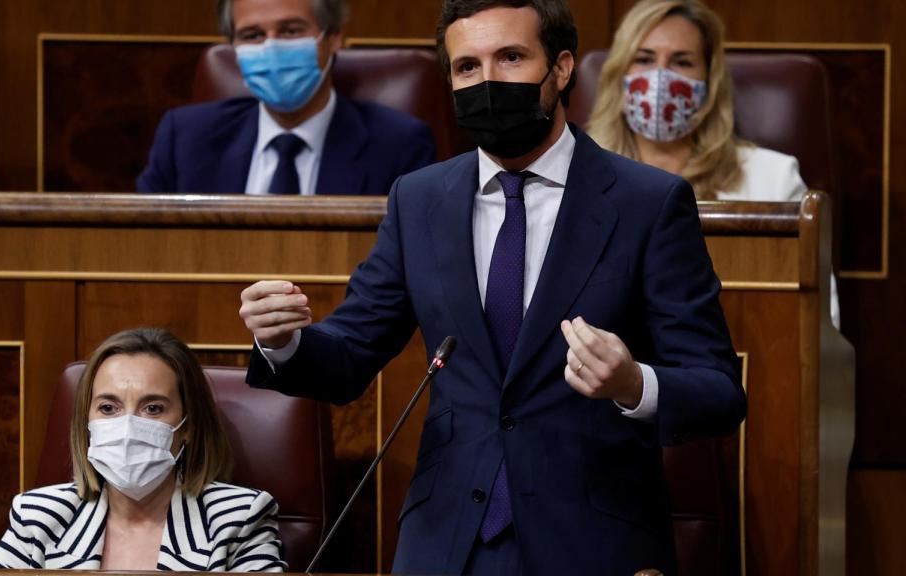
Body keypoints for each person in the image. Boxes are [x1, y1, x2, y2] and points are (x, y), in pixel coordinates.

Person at [238, 0, 744, 574]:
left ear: (560, 68)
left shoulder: (647, 202)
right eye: (467, 67)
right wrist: (284, 341)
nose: (488, 81)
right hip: (446, 539)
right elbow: (350, 354)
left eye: (510, 58)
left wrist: (633, 383)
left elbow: (719, 391)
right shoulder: (419, 199)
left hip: (591, 540)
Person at [586, 0, 841, 328]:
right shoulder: (576, 174)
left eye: (682, 61)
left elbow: (820, 322)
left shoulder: (773, 179)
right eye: (644, 59)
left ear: (710, 81)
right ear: (619, 74)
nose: (660, 79)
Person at [0, 328, 285, 572]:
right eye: (108, 407)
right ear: (87, 424)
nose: (127, 427)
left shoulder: (238, 519)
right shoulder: (38, 517)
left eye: (152, 408)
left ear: (188, 426)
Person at [136, 0, 436, 195]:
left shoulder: (399, 145)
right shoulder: (185, 138)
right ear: (234, 49)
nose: (271, 47)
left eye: (290, 30)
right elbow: (145, 246)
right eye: (252, 35)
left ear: (333, 38)